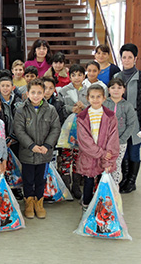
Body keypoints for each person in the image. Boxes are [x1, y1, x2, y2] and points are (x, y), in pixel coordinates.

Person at [13, 79, 61, 219]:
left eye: (39, 92)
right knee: (28, 179)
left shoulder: (51, 110)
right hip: (27, 153)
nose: (36, 95)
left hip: (44, 154)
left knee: (41, 179)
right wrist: (32, 146)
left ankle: (39, 203)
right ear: (27, 93)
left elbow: (55, 128)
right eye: (33, 92)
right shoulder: (21, 110)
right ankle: (29, 203)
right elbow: (19, 130)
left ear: (44, 93)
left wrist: (47, 145)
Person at [113, 43, 141, 193]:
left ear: (135, 58)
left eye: (130, 57)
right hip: (119, 123)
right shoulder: (116, 77)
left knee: (134, 150)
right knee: (123, 151)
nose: (127, 60)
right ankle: (124, 179)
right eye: (124, 57)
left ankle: (132, 181)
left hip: (136, 123)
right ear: (121, 59)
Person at [76, 84, 119, 211]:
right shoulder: (82, 117)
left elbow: (113, 138)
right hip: (89, 155)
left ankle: (101, 206)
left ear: (104, 98)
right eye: (92, 97)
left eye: (98, 96)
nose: (95, 99)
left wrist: (108, 158)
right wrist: (101, 152)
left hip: (106, 155)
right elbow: (84, 141)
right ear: (87, 98)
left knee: (103, 181)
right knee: (88, 181)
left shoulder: (110, 116)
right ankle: (86, 205)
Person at [58, 64, 88, 199]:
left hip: (82, 130)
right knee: (65, 158)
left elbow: (94, 106)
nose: (77, 78)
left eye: (80, 75)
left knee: (79, 158)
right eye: (74, 75)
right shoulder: (64, 91)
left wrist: (84, 107)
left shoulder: (88, 91)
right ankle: (65, 185)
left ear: (84, 76)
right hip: (67, 131)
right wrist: (71, 109)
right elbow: (59, 107)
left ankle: (76, 185)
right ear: (70, 77)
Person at [103, 78, 136, 186]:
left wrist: (121, 140)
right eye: (113, 87)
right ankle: (103, 190)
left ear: (124, 90)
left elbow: (131, 124)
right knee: (103, 165)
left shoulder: (128, 106)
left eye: (119, 87)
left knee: (115, 166)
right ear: (108, 90)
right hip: (104, 142)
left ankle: (114, 190)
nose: (116, 90)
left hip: (119, 143)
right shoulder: (103, 104)